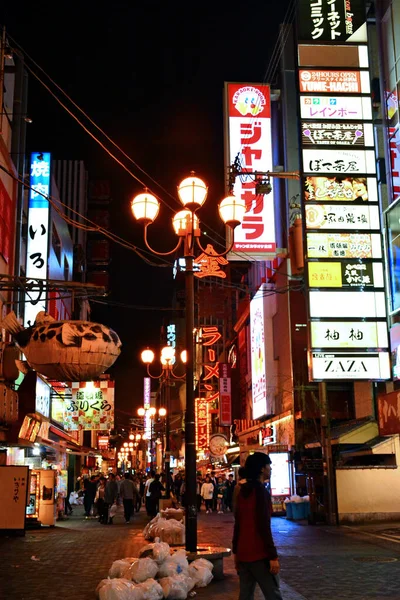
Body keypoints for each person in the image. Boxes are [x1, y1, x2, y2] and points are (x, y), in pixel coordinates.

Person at [232, 452, 282, 600]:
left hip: (243, 554)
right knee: (273, 594)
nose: (270, 469)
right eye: (269, 466)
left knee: (245, 595)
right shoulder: (261, 493)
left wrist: (236, 551)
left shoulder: (242, 492)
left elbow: (238, 523)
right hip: (259, 555)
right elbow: (263, 526)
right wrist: (272, 556)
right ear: (262, 469)